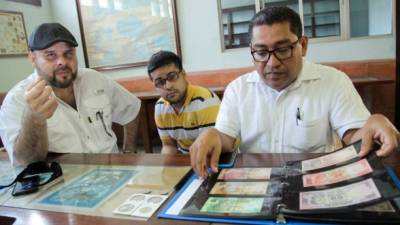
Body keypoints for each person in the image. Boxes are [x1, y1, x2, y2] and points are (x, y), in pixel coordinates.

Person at [189, 6, 399, 177]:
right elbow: (226, 137)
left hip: (314, 180)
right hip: (254, 182)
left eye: (282, 49)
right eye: (261, 52)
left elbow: (354, 135)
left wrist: (373, 124)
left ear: (303, 45)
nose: (272, 63)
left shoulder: (332, 81)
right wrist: (213, 134)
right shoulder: (238, 89)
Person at [0, 23, 141, 166]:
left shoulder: (95, 79)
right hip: (66, 182)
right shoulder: (16, 101)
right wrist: (34, 119)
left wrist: (129, 151)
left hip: (115, 172)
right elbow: (24, 162)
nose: (62, 62)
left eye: (68, 54)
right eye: (50, 55)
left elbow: (131, 109)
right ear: (32, 58)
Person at [147, 51, 220, 154]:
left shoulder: (205, 101)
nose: (168, 86)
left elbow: (209, 149)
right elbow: (168, 146)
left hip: (216, 158)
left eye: (172, 76)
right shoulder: (160, 107)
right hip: (186, 158)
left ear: (183, 74)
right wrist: (169, 168)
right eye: (160, 82)